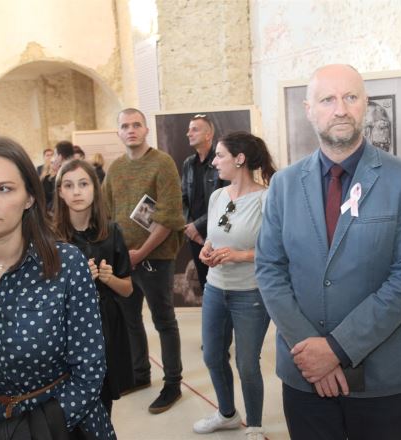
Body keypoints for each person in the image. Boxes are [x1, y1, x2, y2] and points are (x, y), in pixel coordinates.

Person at [255, 64, 401, 440]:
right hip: (304, 374)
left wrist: (337, 349)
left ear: (365, 104)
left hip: (381, 377)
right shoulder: (284, 185)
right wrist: (311, 353)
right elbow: (270, 269)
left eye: (351, 97)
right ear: (309, 110)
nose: (340, 109)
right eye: (327, 99)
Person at [0, 136, 115, 439]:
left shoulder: (66, 264)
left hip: (64, 425)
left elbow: (89, 371)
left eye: (3, 188)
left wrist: (27, 433)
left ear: (29, 197)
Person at [193, 132, 275, 440]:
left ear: (239, 159)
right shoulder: (217, 196)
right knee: (212, 356)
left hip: (251, 294)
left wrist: (239, 255)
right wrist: (206, 249)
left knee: (247, 364)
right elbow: (213, 236)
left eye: (220, 155)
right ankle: (227, 414)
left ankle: (254, 424)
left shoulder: (266, 199)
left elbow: (278, 250)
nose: (214, 162)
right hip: (215, 289)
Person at [103, 108, 185, 414]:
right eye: (125, 126)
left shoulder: (162, 163)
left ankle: (173, 383)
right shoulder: (115, 168)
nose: (131, 130)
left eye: (136, 124)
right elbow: (107, 213)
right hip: (124, 261)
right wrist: (118, 254)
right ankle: (139, 375)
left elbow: (169, 216)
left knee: (163, 321)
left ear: (146, 129)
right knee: (130, 320)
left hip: (156, 258)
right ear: (119, 133)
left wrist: (141, 252)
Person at [53, 159, 133, 416]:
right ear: (60, 192)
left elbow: (127, 289)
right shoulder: (50, 238)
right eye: (69, 185)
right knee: (68, 405)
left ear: (95, 189)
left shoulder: (112, 232)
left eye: (83, 184)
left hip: (106, 325)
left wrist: (109, 279)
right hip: (65, 329)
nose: (76, 192)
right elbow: (42, 295)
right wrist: (76, 281)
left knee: (104, 400)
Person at [181, 114, 226, 292]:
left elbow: (226, 201)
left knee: (222, 285)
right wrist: (190, 228)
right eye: (188, 130)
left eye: (194, 129)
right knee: (205, 286)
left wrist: (197, 226)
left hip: (218, 232)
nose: (189, 133)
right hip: (194, 236)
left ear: (208, 135)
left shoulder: (221, 161)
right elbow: (182, 199)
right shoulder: (188, 163)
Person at [43, 141, 74, 211]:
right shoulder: (79, 169)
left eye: (55, 154)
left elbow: (57, 199)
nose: (54, 158)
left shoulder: (62, 173)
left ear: (60, 156)